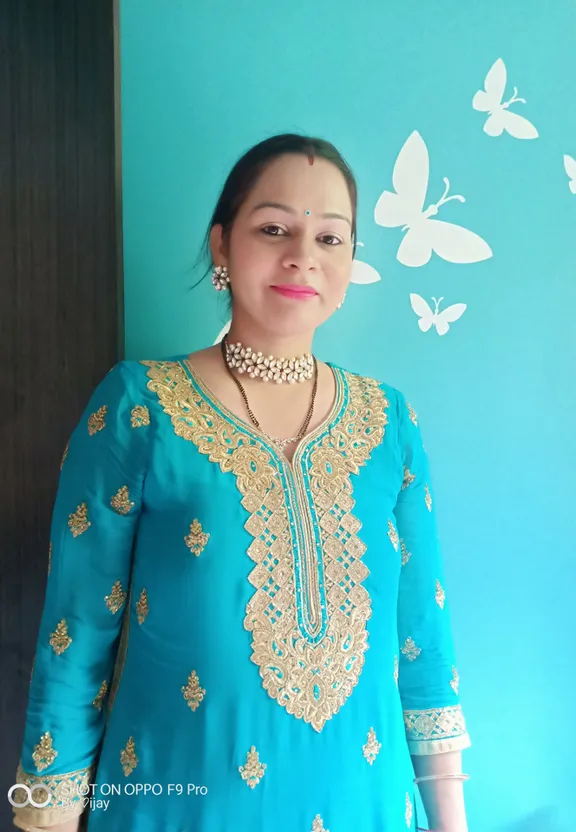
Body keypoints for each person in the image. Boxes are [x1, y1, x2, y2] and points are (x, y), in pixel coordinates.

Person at [12, 133, 471, 832]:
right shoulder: (141, 405)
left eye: (330, 238)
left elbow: (423, 646)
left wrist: (452, 820)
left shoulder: (389, 425)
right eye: (274, 228)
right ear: (222, 244)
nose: (302, 257)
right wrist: (46, 816)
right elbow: (76, 634)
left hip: (367, 809)